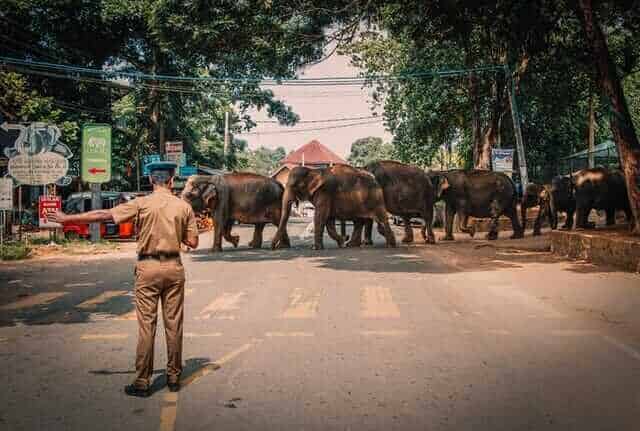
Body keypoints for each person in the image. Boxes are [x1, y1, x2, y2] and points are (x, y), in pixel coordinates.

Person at [50, 161, 199, 397]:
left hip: (147, 268)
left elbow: (104, 215)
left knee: (147, 326)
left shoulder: (140, 204)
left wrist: (67, 219)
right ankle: (173, 376)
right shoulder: (184, 207)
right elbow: (193, 243)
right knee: (174, 324)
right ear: (171, 180)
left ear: (152, 180)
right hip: (173, 268)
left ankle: (142, 381)